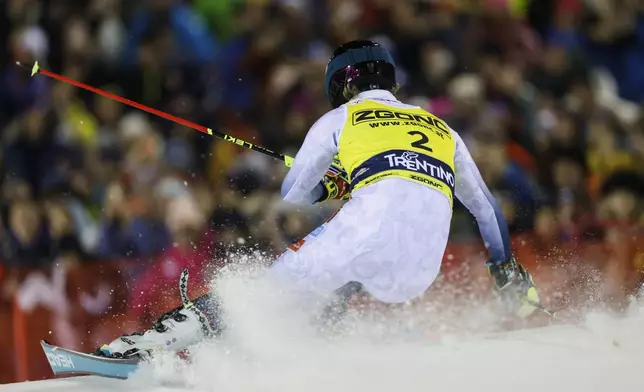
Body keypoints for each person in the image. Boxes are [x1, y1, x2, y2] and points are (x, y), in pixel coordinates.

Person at [97, 40, 540, 359]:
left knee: (261, 288)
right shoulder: (443, 129)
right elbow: (487, 209)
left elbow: (293, 197)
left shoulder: (341, 118)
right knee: (337, 281)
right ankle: (322, 348)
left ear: (341, 85)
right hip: (420, 267)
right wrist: (503, 267)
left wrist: (334, 182)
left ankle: (147, 345)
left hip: (363, 234)